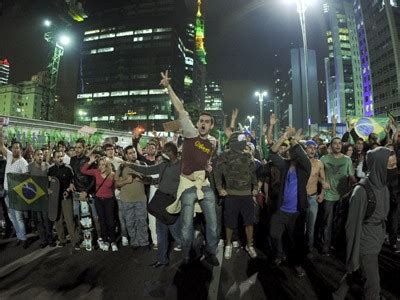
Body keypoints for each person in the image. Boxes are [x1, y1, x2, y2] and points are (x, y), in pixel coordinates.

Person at [160, 70, 219, 267]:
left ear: (211, 125)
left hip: (205, 184)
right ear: (197, 123)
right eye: (201, 120)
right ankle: (186, 255)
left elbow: (206, 162)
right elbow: (180, 109)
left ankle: (211, 251)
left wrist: (208, 167)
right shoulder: (190, 133)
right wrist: (168, 87)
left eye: (206, 122)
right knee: (186, 226)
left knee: (213, 223)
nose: (203, 123)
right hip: (187, 185)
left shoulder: (213, 143)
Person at [345, 147, 393, 300]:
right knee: (373, 284)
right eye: (390, 166)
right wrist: (352, 255)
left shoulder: (383, 185)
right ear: (378, 166)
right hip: (365, 243)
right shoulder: (361, 192)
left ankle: (337, 295)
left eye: (395, 165)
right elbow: (351, 227)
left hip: (376, 238)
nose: (394, 169)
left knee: (355, 272)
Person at [127, 142, 182, 267]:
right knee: (161, 232)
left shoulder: (182, 166)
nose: (162, 154)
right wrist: (131, 165)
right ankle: (162, 260)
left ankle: (190, 253)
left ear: (171, 153)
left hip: (173, 204)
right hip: (160, 202)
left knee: (176, 234)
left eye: (165, 151)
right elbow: (147, 170)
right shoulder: (163, 165)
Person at [269, 128, 311, 277]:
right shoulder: (284, 165)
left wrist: (295, 141)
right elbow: (273, 153)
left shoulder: (305, 168)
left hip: (296, 213)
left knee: (296, 242)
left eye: (294, 150)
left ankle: (297, 264)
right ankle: (279, 255)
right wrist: (284, 136)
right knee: (274, 234)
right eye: (290, 149)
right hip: (281, 210)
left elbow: (302, 156)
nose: (291, 151)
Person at [214, 132, 258, 260]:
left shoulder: (247, 155)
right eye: (242, 140)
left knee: (249, 222)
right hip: (231, 195)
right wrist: (219, 188)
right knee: (229, 222)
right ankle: (228, 244)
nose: (245, 142)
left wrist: (255, 187)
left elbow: (252, 173)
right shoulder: (225, 155)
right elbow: (217, 172)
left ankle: (249, 245)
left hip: (247, 195)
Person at [320, 137, 356, 256]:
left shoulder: (347, 160)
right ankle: (325, 247)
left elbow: (351, 176)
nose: (337, 145)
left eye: (339, 143)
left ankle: (336, 245)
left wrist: (356, 185)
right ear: (330, 145)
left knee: (340, 223)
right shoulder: (324, 159)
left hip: (343, 196)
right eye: (335, 143)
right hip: (329, 196)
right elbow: (316, 175)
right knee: (327, 223)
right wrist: (322, 182)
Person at [0, 125, 29, 248]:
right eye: (14, 147)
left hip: (16, 193)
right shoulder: (10, 156)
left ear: (21, 150)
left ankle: (23, 238)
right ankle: (19, 235)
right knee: (12, 216)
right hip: (6, 192)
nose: (15, 149)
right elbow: (1, 146)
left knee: (18, 216)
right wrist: (1, 132)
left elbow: (26, 179)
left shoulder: (23, 163)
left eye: (18, 148)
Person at [81, 155, 117, 251]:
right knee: (102, 221)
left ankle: (112, 241)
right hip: (98, 200)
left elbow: (116, 186)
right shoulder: (96, 172)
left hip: (109, 200)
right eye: (100, 165)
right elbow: (83, 170)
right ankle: (105, 240)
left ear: (108, 165)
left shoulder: (112, 174)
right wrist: (90, 161)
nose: (101, 167)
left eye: (104, 165)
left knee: (110, 221)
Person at [115, 146, 149, 248]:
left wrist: (142, 180)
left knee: (142, 222)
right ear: (126, 155)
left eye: (134, 152)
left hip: (141, 199)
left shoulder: (143, 164)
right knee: (130, 223)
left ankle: (144, 242)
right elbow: (116, 184)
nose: (133, 154)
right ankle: (134, 242)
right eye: (130, 153)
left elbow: (149, 180)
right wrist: (126, 181)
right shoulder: (121, 167)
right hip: (126, 200)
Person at [48, 149, 79, 249]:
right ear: (54, 158)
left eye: (61, 156)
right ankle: (62, 240)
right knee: (58, 220)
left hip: (66, 198)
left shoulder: (68, 168)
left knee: (70, 220)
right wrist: (48, 190)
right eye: (58, 157)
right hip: (55, 200)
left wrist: (69, 189)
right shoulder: (50, 170)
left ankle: (75, 241)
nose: (60, 158)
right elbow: (47, 184)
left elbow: (73, 181)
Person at [305, 140, 328, 254]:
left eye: (314, 148)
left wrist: (322, 194)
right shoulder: (301, 162)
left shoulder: (319, 163)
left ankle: (308, 249)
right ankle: (299, 248)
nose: (312, 150)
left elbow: (323, 180)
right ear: (305, 149)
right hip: (301, 198)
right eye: (310, 147)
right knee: (299, 226)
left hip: (313, 198)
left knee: (311, 227)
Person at [28, 149, 55, 248]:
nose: (40, 156)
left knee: (47, 220)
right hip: (35, 198)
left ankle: (50, 239)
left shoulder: (47, 166)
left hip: (45, 198)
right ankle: (43, 240)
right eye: (38, 155)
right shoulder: (29, 166)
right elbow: (26, 181)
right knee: (38, 220)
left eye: (41, 155)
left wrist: (50, 187)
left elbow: (52, 180)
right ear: (34, 156)